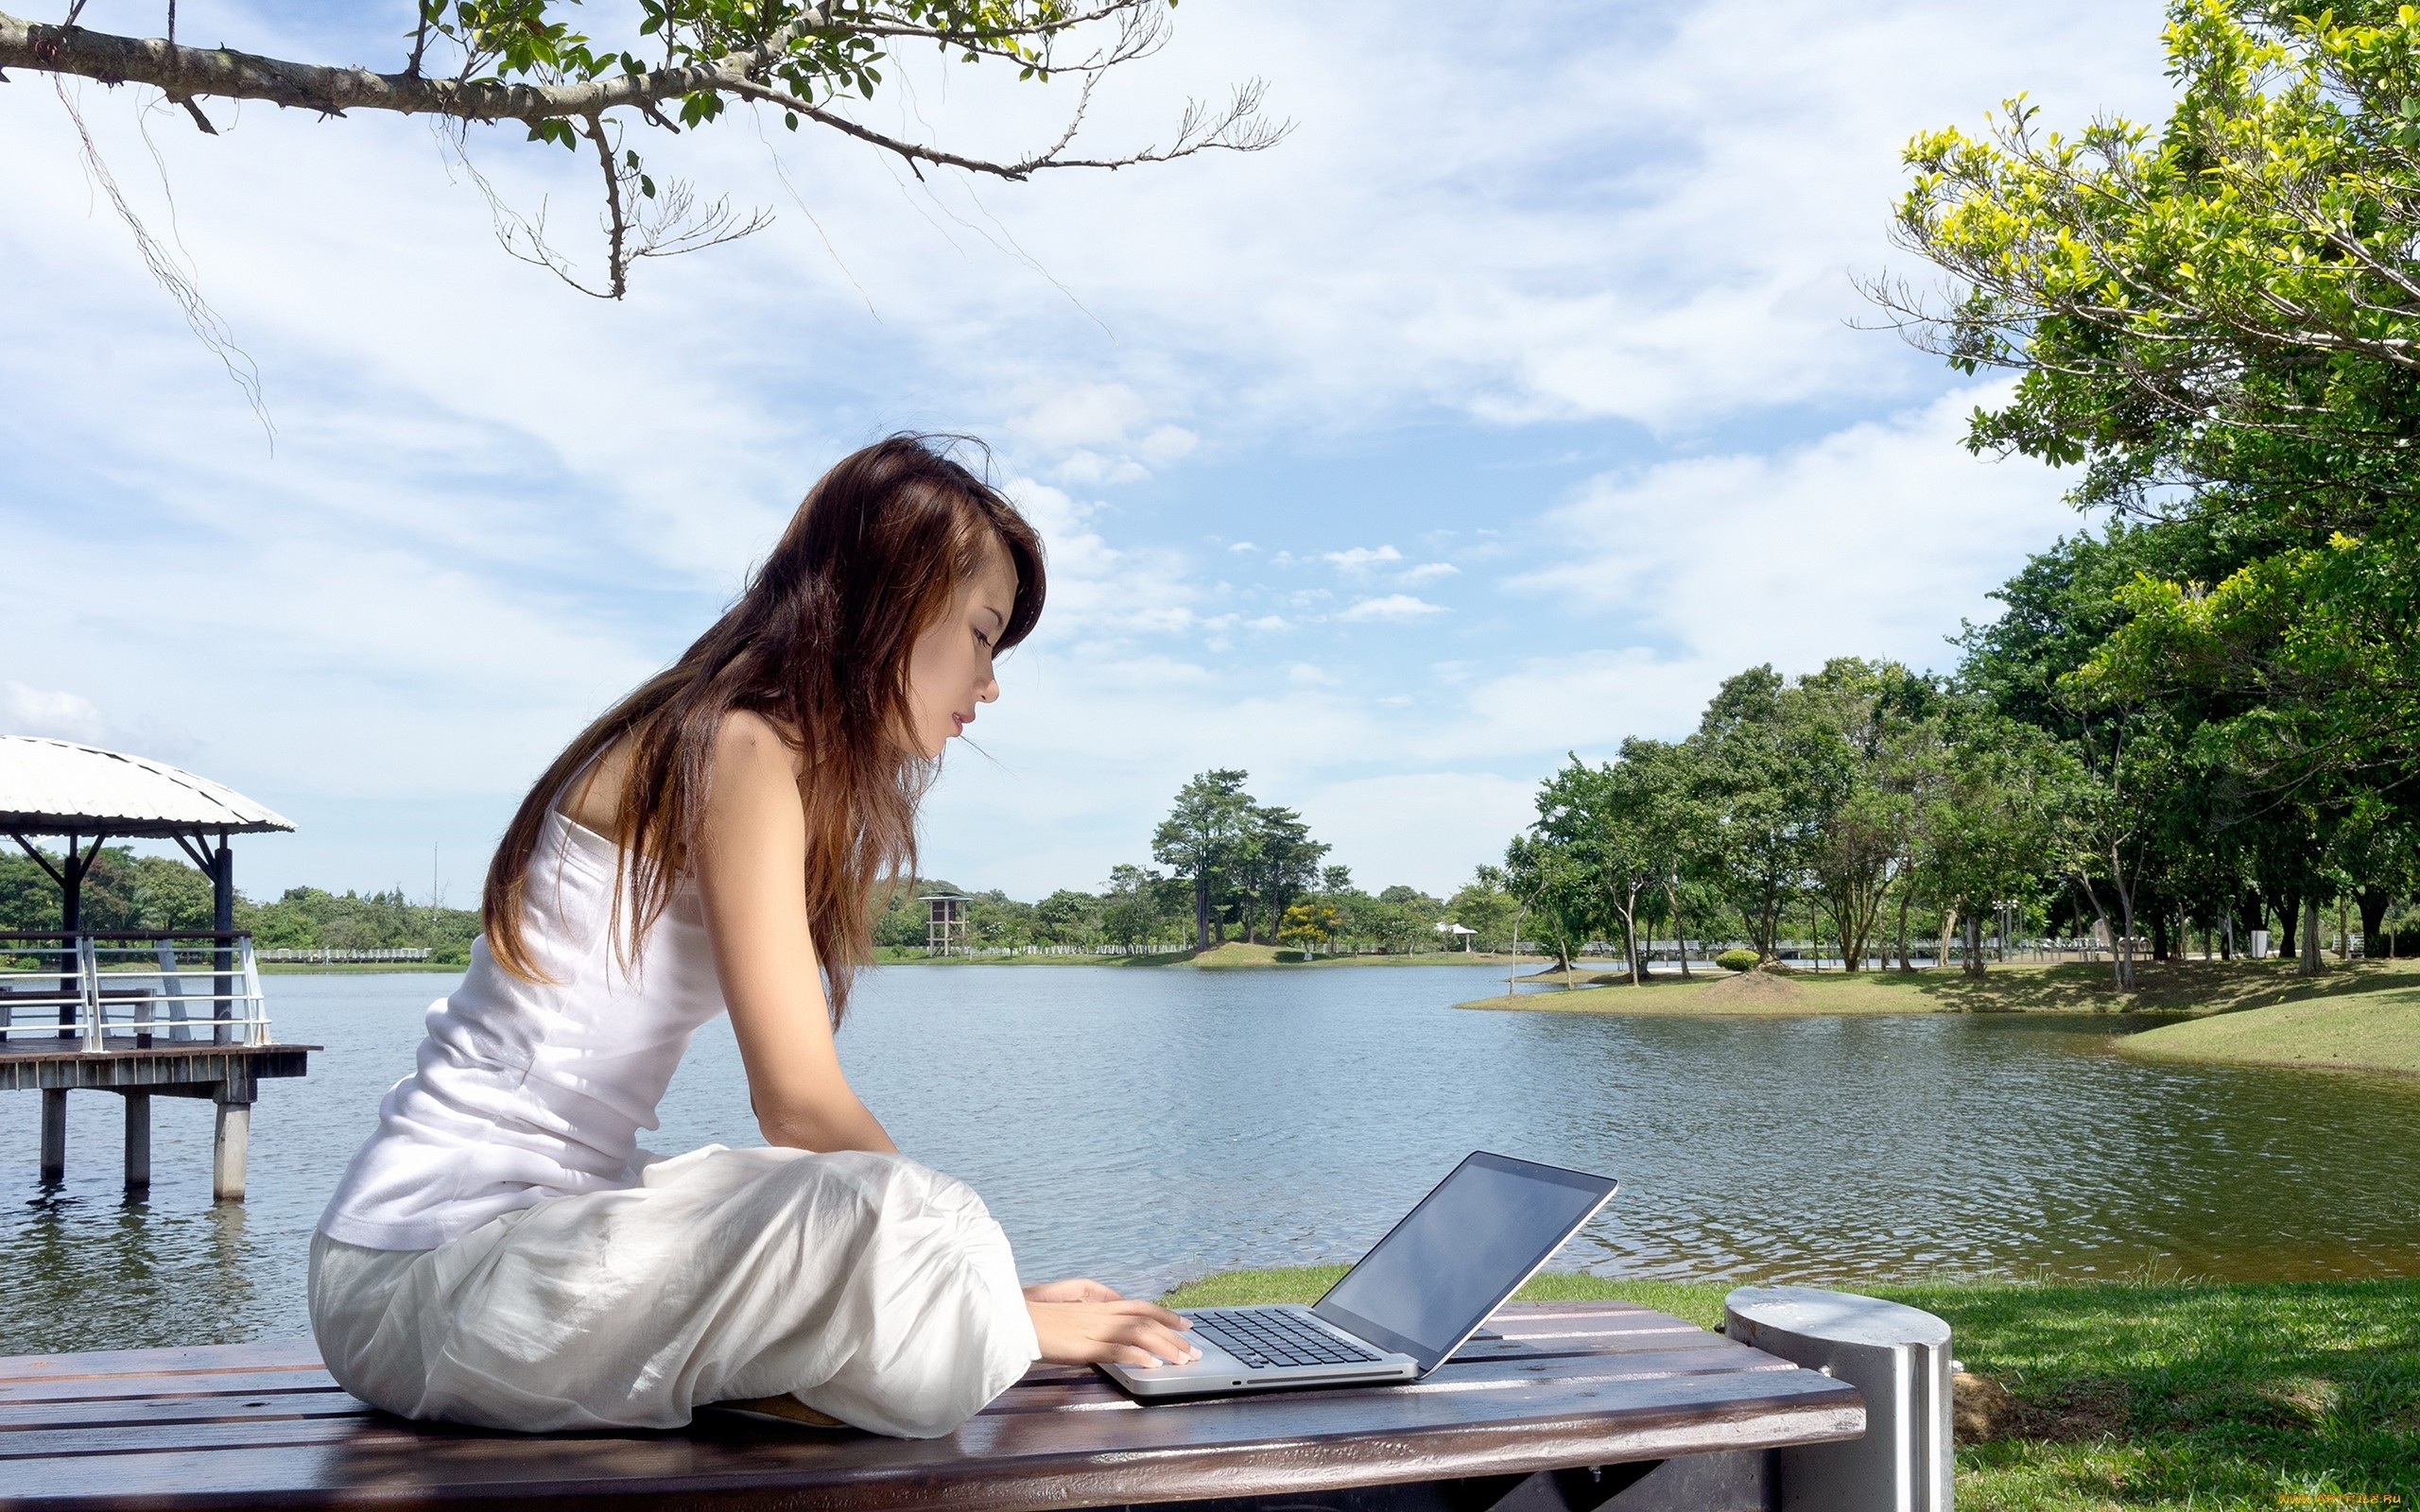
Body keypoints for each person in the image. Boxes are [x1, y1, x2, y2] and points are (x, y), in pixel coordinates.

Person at [310, 436, 1199, 1437]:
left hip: (487, 1265)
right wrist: (984, 1283)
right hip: (436, 1279)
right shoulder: (738, 743)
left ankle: (903, 1335)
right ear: (896, 604)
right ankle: (939, 1329)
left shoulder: (730, 738)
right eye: (984, 634)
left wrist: (977, 1285)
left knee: (850, 1204)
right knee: (913, 1214)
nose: (989, 685)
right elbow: (800, 1099)